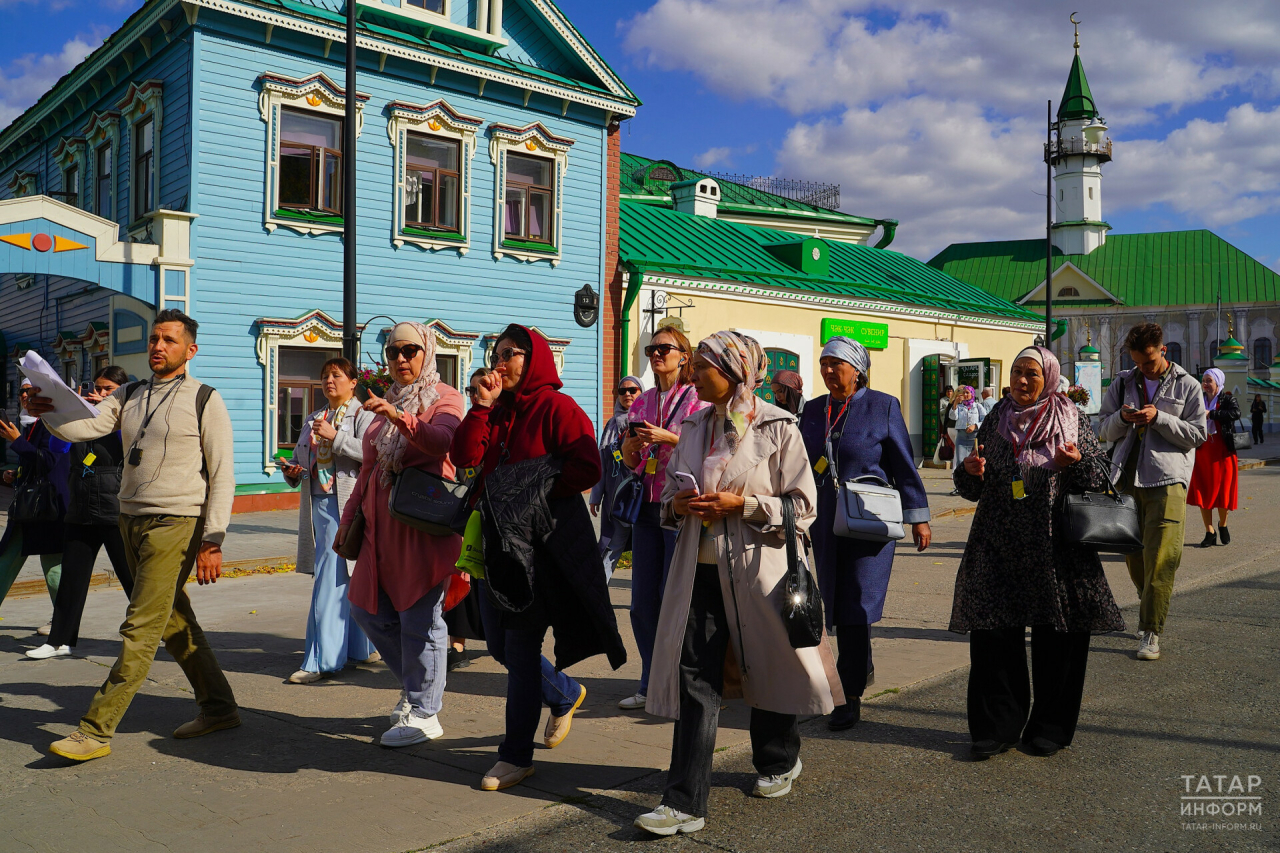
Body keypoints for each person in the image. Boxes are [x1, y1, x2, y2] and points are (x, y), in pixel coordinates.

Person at [634, 330, 842, 837]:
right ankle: (684, 801)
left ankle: (777, 758)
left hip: (760, 574)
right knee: (694, 681)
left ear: (732, 372)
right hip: (699, 573)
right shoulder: (693, 427)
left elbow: (804, 507)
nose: (693, 374)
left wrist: (743, 506)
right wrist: (677, 504)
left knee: (767, 668)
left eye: (702, 366)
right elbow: (668, 499)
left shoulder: (778, 427)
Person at [31, 309, 238, 763]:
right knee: (172, 620)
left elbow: (223, 474)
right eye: (153, 339)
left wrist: (214, 538)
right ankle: (220, 707)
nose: (157, 346)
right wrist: (45, 413)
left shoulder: (206, 398)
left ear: (190, 350)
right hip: (130, 519)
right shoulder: (128, 393)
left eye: (168, 340)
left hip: (176, 523)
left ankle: (95, 729)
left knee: (141, 626)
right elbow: (85, 427)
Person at [451, 323, 625, 792]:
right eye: (496, 353)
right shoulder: (496, 410)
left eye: (511, 353)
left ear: (534, 361)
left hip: (537, 552)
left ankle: (515, 757)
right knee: (501, 646)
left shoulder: (557, 407)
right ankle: (564, 693)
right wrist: (480, 409)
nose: (500, 361)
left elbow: (587, 466)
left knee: (522, 652)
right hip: (493, 548)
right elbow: (464, 455)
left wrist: (533, 495)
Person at [951, 346, 1124, 760]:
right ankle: (997, 727)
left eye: (1032, 373)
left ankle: (1050, 726)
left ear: (1048, 376)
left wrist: (1074, 463)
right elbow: (973, 486)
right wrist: (968, 473)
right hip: (998, 543)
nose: (1023, 381)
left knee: (1059, 637)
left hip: (1056, 546)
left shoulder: (1069, 417)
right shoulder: (997, 417)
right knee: (993, 634)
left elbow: (1098, 477)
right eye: (1016, 372)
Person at [334, 322, 466, 747]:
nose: (401, 359)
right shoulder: (385, 401)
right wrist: (347, 524)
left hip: (420, 529)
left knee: (419, 620)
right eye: (393, 352)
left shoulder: (445, 398)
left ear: (427, 352)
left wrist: (402, 419)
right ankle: (416, 690)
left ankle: (426, 712)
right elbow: (369, 468)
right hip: (378, 531)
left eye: (410, 350)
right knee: (366, 611)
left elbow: (443, 442)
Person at [799, 336, 931, 731]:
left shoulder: (882, 406)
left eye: (834, 364)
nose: (826, 371)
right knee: (836, 605)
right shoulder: (813, 410)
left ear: (856, 370)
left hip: (870, 521)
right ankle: (859, 665)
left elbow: (903, 464)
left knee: (857, 604)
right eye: (823, 363)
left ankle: (848, 695)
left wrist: (918, 516)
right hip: (825, 521)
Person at [1098, 322, 1205, 662]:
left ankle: (1150, 631)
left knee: (1162, 557)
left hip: (1167, 480)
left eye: (1148, 361)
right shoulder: (1122, 382)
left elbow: (1198, 434)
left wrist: (1159, 417)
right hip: (1127, 478)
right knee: (1135, 557)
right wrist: (1123, 418)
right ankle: (1151, 606)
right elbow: (1102, 429)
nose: (1142, 368)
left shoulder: (1187, 385)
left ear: (1163, 350)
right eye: (1137, 362)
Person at [618, 325, 708, 710]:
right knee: (641, 604)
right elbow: (630, 459)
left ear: (683, 355)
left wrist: (668, 438)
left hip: (680, 507)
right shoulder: (643, 399)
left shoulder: (697, 399)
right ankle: (650, 680)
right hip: (646, 507)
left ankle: (679, 680)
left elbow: (707, 449)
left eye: (664, 348)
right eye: (652, 348)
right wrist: (632, 446)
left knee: (675, 599)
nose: (656, 354)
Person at [281, 357, 378, 684]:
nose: (328, 381)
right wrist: (292, 471)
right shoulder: (312, 419)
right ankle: (356, 649)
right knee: (336, 577)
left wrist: (336, 437)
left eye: (336, 375)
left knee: (336, 578)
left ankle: (322, 660)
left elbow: (373, 454)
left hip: (351, 506)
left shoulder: (363, 415)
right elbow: (300, 462)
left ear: (353, 382)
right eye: (324, 376)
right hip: (320, 506)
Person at [28, 366, 136, 660]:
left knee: (132, 579)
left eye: (107, 390)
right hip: (81, 508)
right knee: (71, 580)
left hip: (114, 510)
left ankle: (162, 636)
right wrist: (71, 411)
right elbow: (58, 447)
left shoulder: (125, 420)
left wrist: (101, 414)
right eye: (97, 387)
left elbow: (125, 445)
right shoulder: (83, 420)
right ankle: (59, 641)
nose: (99, 393)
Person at [0, 379, 68, 612]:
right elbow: (33, 464)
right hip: (28, 508)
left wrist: (16, 441)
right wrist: (14, 475)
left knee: (53, 569)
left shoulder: (53, 422)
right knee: (5, 562)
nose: (25, 396)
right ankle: (64, 624)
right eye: (22, 392)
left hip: (48, 508)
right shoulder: (28, 424)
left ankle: (64, 625)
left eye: (31, 392)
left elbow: (50, 461)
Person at [444, 368, 494, 671]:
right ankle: (457, 646)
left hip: (497, 516)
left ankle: (500, 638)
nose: (476, 395)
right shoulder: (468, 423)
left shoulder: (501, 423)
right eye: (471, 389)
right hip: (466, 512)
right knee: (460, 577)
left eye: (482, 388)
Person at [589, 374, 645, 579]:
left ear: (642, 393)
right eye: (622, 391)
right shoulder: (611, 425)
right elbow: (602, 463)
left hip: (641, 499)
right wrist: (596, 497)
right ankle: (597, 599)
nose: (627, 394)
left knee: (644, 552)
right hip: (616, 499)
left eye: (633, 390)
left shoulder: (649, 423)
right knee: (610, 547)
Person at [1187, 368, 1240, 548]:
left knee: (1223, 491)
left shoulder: (1227, 399)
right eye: (1204, 380)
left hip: (1223, 451)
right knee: (1204, 491)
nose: (1205, 384)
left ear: (1218, 382)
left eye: (1209, 380)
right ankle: (1209, 531)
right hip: (1202, 451)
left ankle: (1222, 524)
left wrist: (1213, 414)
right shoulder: (1198, 399)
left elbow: (1235, 414)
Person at [953, 385, 982, 469]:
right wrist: (955, 403)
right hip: (961, 437)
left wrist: (975, 425)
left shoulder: (977, 406)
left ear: (972, 394)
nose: (965, 395)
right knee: (960, 461)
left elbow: (985, 420)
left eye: (967, 392)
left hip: (974, 437)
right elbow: (953, 417)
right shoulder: (959, 407)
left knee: (974, 460)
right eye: (964, 393)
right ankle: (960, 479)